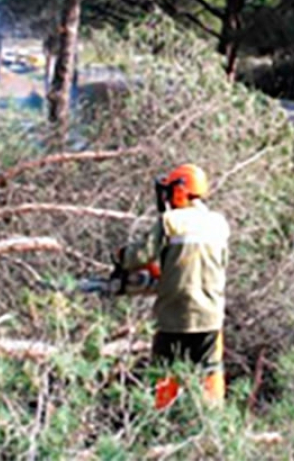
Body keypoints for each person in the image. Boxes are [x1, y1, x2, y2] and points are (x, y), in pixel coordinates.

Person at [113, 163, 230, 409]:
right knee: (210, 373)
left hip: (175, 317)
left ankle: (162, 422)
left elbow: (140, 256)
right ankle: (213, 427)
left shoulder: (170, 221)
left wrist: (120, 256)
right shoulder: (219, 224)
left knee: (165, 374)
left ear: (180, 190)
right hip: (210, 317)